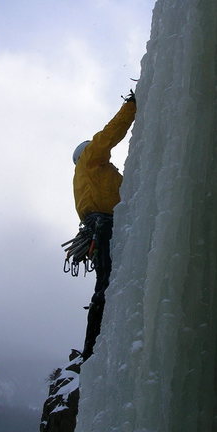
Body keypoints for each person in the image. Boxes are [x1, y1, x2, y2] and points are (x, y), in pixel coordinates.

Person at [72, 90, 136, 360]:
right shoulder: (90, 160)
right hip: (104, 224)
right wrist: (131, 107)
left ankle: (97, 343)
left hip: (105, 224)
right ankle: (94, 349)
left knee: (109, 280)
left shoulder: (99, 175)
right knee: (107, 283)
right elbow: (109, 135)